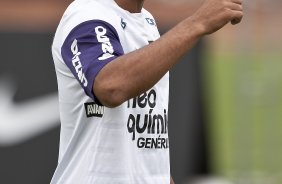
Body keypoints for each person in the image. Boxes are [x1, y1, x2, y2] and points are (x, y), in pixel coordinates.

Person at [51, 0, 243, 183]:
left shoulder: (146, 21)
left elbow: (145, 138)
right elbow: (110, 87)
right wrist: (198, 23)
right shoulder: (87, 14)